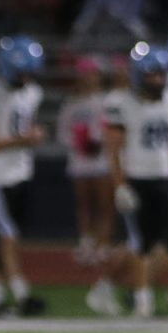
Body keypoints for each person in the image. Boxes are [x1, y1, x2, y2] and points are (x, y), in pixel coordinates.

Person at [104, 45, 168, 319]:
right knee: (140, 245)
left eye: (161, 74)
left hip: (166, 178)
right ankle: (143, 301)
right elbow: (113, 148)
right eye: (152, 75)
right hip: (138, 179)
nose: (158, 80)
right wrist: (120, 185)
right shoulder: (121, 103)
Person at [0, 36, 47, 316]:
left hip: (21, 171)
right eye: (22, 71)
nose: (26, 77)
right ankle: (22, 293)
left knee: (9, 239)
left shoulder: (32, 92)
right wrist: (24, 139)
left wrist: (28, 138)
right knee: (8, 237)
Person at [58, 56, 113, 272]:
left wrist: (100, 142)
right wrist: (80, 143)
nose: (89, 78)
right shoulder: (71, 103)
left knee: (104, 205)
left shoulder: (108, 100)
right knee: (85, 204)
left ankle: (103, 244)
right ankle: (87, 242)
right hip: (80, 161)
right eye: (85, 74)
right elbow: (62, 133)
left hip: (103, 160)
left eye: (93, 74)